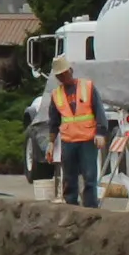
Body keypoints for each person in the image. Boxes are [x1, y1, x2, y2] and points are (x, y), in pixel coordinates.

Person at [51, 61, 103, 209]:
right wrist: (51, 142)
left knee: (90, 176)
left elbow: (99, 111)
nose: (63, 78)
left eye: (65, 74)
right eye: (60, 76)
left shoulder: (87, 87)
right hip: (68, 141)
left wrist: (100, 132)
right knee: (69, 177)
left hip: (87, 139)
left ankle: (90, 208)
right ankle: (71, 207)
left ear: (71, 71)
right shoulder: (57, 95)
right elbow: (54, 121)